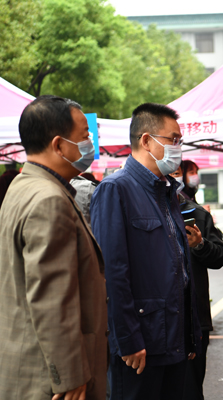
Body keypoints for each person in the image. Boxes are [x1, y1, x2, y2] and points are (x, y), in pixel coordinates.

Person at [91, 103, 202, 400]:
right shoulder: (116, 189)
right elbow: (112, 273)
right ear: (146, 141)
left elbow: (180, 267)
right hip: (141, 342)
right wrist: (127, 339)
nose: (178, 147)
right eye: (173, 139)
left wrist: (190, 335)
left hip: (174, 338)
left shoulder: (168, 191)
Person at [0, 95, 107, 400]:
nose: (89, 144)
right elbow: (52, 300)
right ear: (59, 145)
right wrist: (70, 377)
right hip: (51, 380)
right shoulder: (49, 199)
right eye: (84, 137)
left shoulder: (22, 186)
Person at [170, 165, 223, 400]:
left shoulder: (197, 213)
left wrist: (200, 245)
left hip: (195, 319)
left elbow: (221, 256)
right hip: (157, 320)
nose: (172, 178)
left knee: (191, 388)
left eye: (176, 173)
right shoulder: (139, 210)